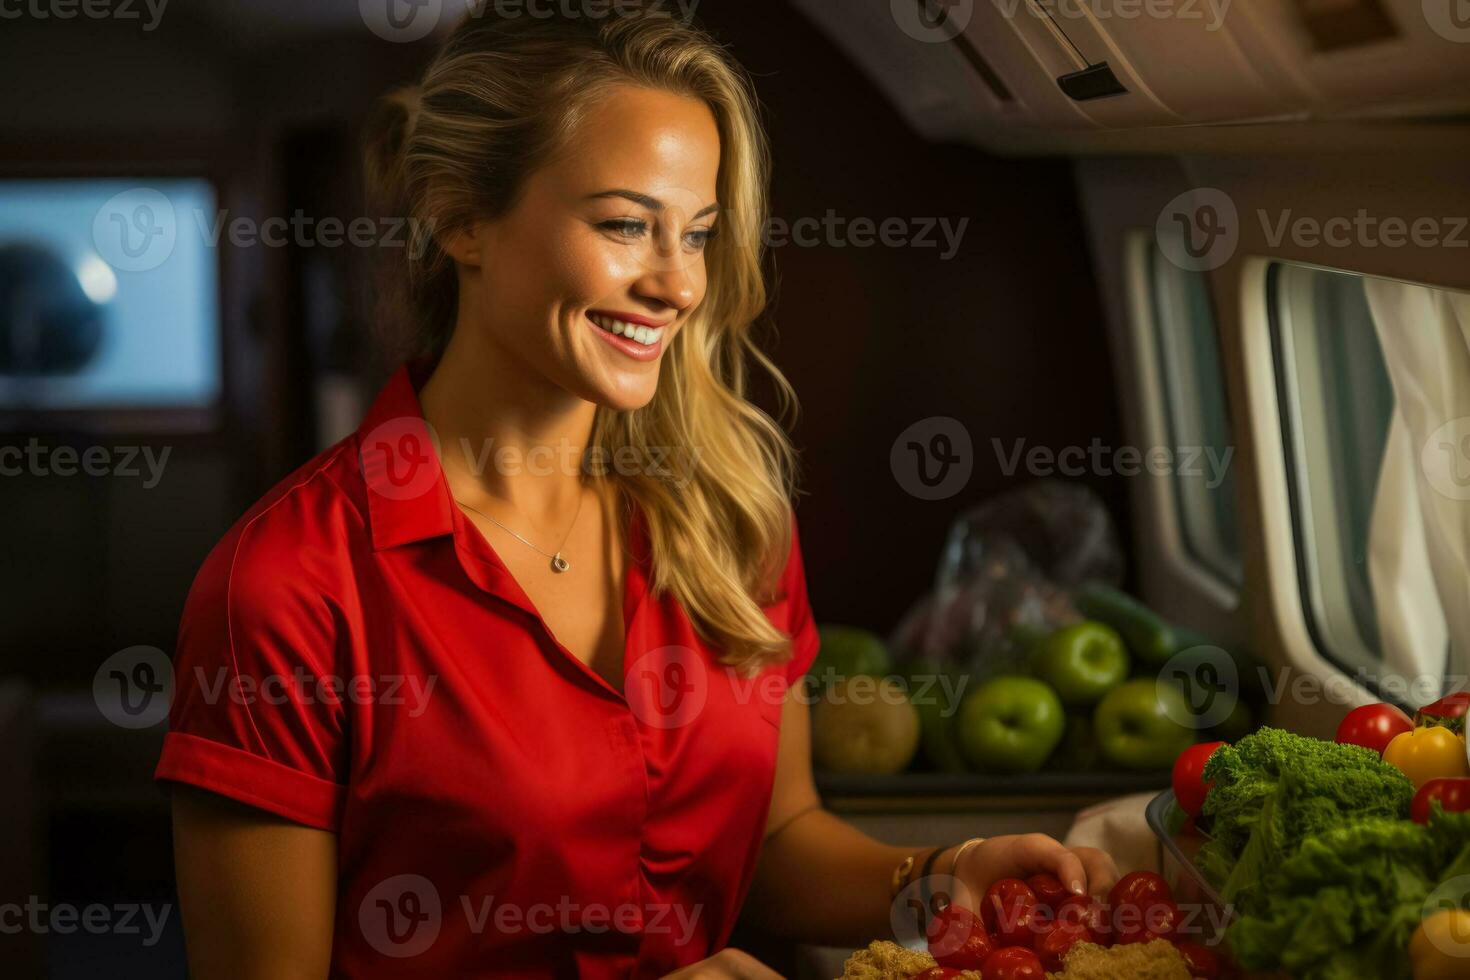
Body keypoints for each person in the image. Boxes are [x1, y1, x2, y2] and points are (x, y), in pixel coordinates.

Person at [154, 4, 1119, 977]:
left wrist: (941, 873)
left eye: (696, 234)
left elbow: (776, 842)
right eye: (625, 224)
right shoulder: (284, 587)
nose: (679, 284)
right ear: (458, 216)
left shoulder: (730, 514)